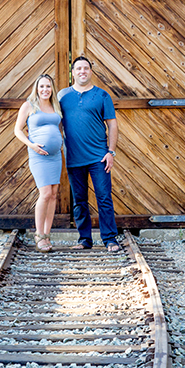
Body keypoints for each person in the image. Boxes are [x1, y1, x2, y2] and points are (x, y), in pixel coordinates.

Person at [58, 56, 120, 252]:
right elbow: (54, 121)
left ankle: (110, 239)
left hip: (99, 157)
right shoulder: (62, 96)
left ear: (91, 71)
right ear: (73, 73)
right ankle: (84, 239)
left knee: (104, 197)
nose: (82, 71)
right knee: (79, 201)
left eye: (86, 68)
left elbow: (112, 124)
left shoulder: (102, 95)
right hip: (73, 157)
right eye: (78, 68)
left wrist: (111, 152)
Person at [14, 74, 63, 252]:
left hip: (55, 156)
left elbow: (58, 127)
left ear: (52, 89)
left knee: (53, 194)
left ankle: (46, 235)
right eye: (41, 86)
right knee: (45, 193)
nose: (45, 89)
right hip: (38, 155)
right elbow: (17, 130)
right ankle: (39, 234)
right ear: (36, 88)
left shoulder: (55, 106)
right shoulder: (29, 105)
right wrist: (32, 145)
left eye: (48, 86)